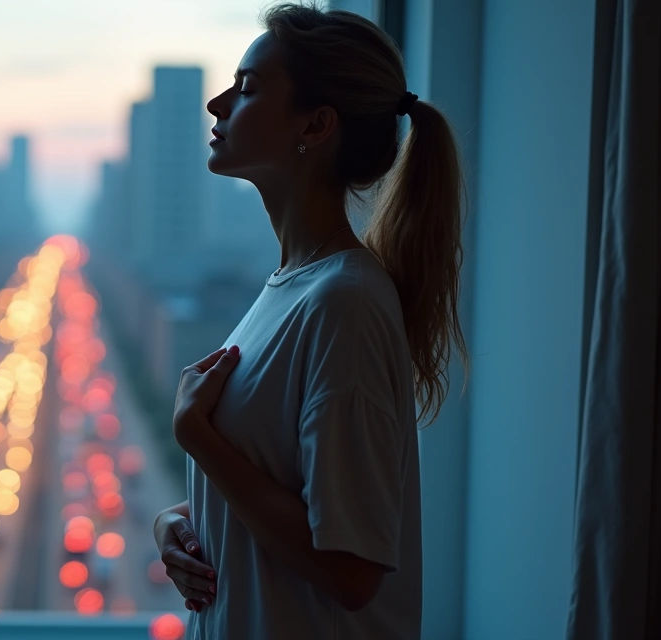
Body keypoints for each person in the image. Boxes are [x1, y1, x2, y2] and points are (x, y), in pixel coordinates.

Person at [151, 3, 467, 639]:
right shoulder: (290, 290)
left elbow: (351, 569)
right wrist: (175, 523)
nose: (217, 105)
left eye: (248, 88)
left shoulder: (342, 303)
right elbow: (290, 493)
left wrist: (198, 435)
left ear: (316, 125)